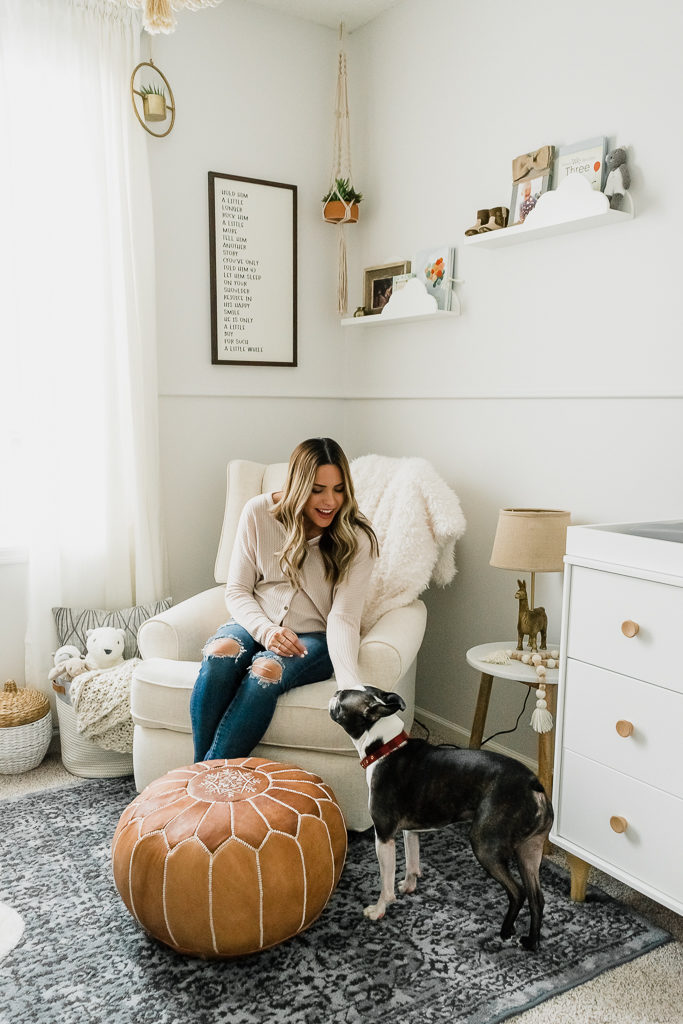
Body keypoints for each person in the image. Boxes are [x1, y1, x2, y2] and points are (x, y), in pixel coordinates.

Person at [190, 437, 379, 761]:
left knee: (266, 670)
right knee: (221, 654)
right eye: (317, 489)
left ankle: (203, 781)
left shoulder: (357, 537)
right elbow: (237, 590)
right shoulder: (259, 513)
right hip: (254, 622)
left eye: (338, 489)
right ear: (297, 485)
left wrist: (350, 686)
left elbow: (344, 617)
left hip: (314, 637)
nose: (330, 501)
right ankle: (200, 777)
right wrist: (266, 631)